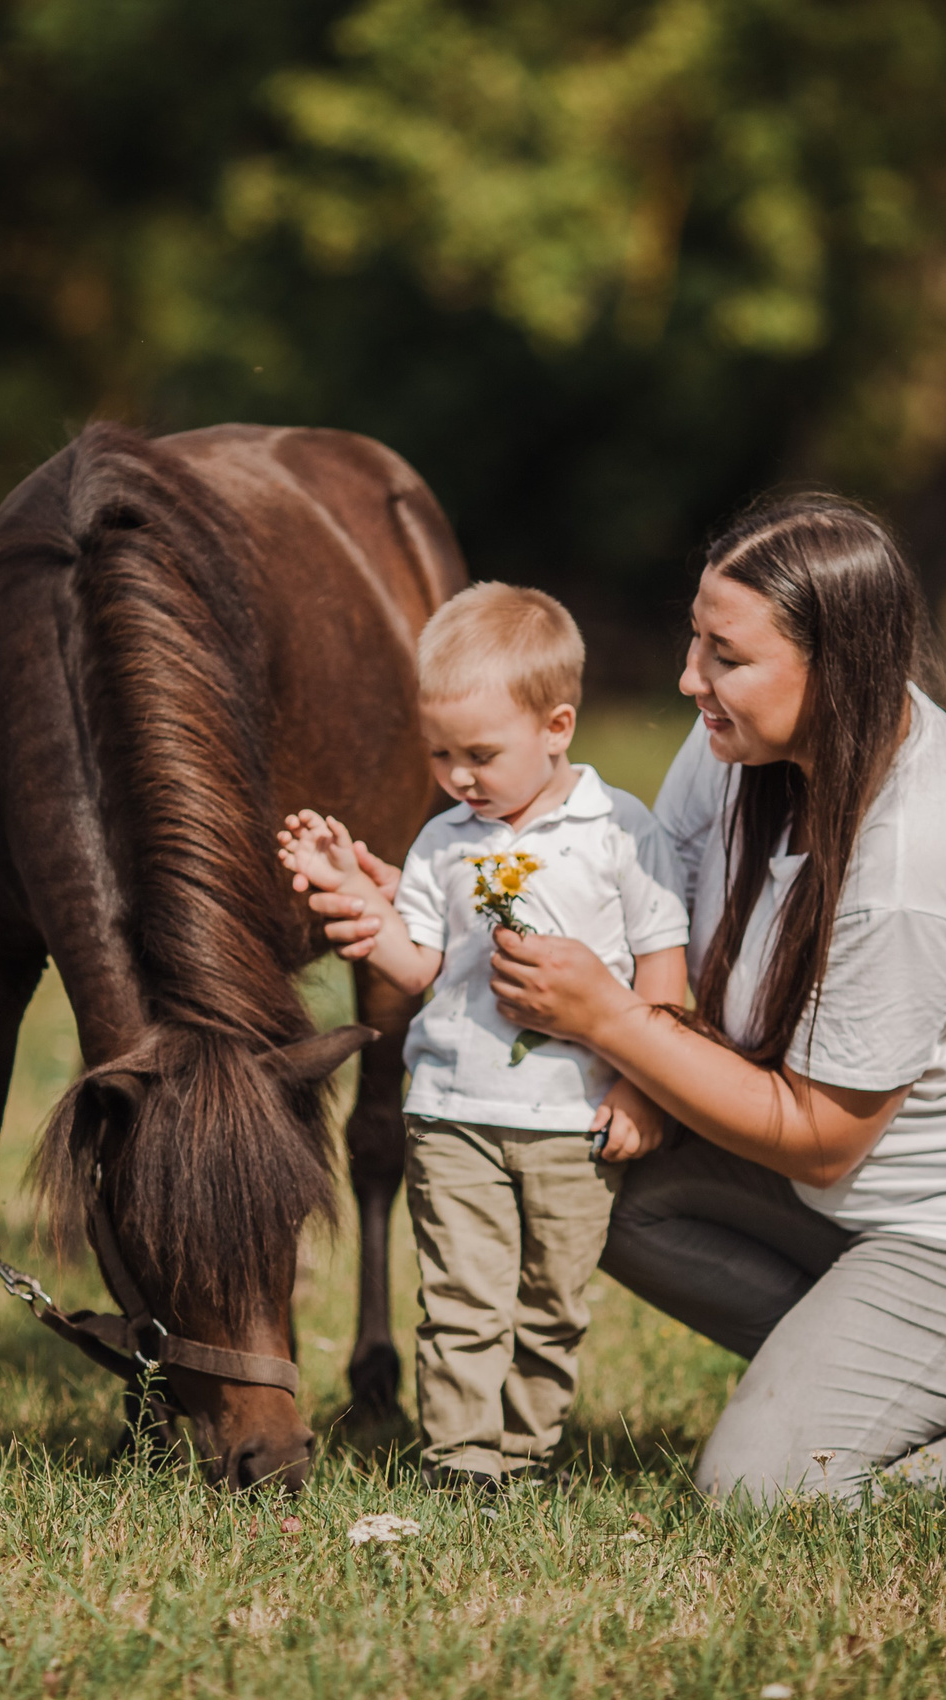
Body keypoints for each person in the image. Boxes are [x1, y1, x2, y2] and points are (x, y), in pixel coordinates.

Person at [309, 498, 946, 1508]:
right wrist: (441, 910)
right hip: (860, 1203)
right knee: (566, 1155)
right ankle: (867, 1378)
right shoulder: (733, 749)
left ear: (837, 668)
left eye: (724, 655)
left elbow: (821, 1139)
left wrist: (611, 1024)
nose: (690, 678)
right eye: (695, 639)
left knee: (762, 1490)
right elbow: (630, 929)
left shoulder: (914, 852)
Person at [279, 583, 688, 1487]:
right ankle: (462, 1461)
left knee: (550, 1304)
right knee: (461, 1298)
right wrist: (356, 896)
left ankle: (526, 1451)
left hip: (573, 1121)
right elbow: (417, 964)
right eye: (440, 753)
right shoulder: (442, 842)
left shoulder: (621, 830)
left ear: (557, 726)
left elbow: (663, 961)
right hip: (454, 1111)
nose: (459, 775)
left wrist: (645, 1085)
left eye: (481, 754)